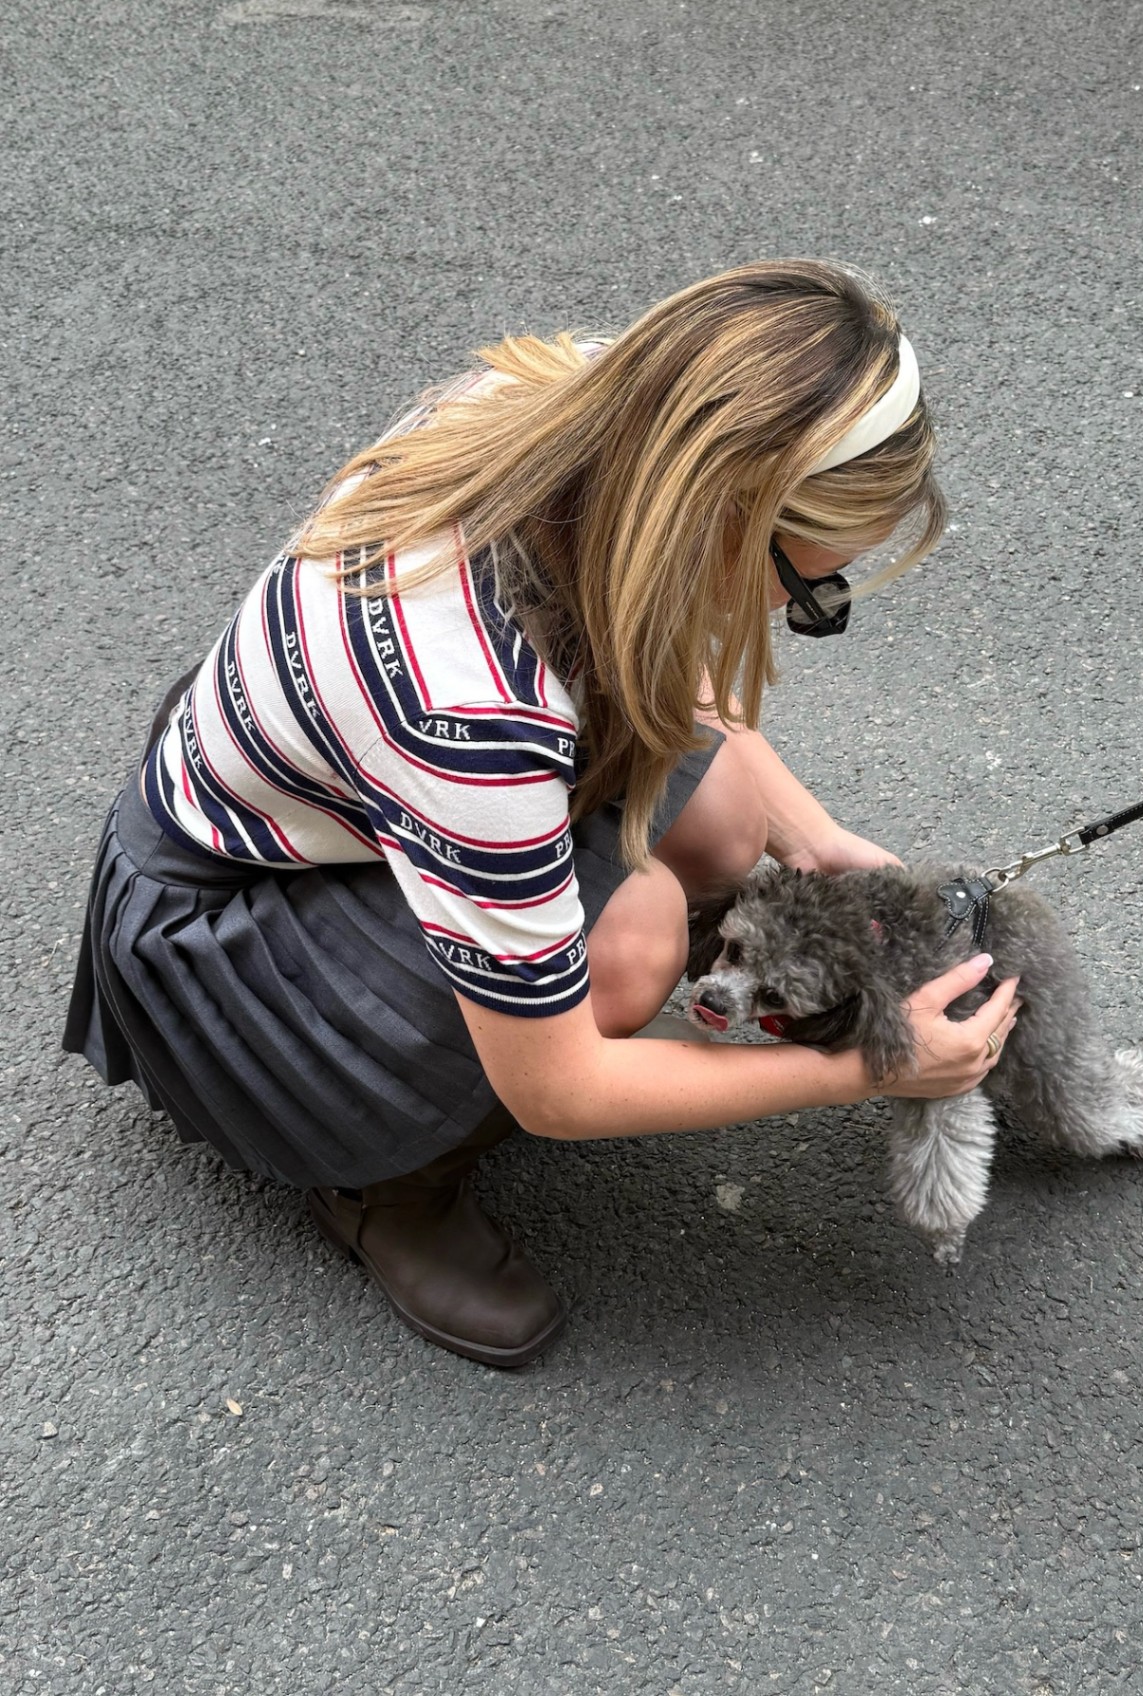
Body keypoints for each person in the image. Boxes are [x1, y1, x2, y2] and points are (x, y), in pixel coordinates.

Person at [64, 259, 1022, 1368]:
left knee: (726, 830)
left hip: (309, 787)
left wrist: (806, 837)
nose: (793, 612)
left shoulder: (585, 401)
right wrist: (871, 1070)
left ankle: (517, 968)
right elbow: (558, 1089)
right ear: (715, 517)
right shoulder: (472, 711)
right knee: (635, 941)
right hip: (228, 933)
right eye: (807, 589)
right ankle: (380, 1177)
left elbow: (661, 645)